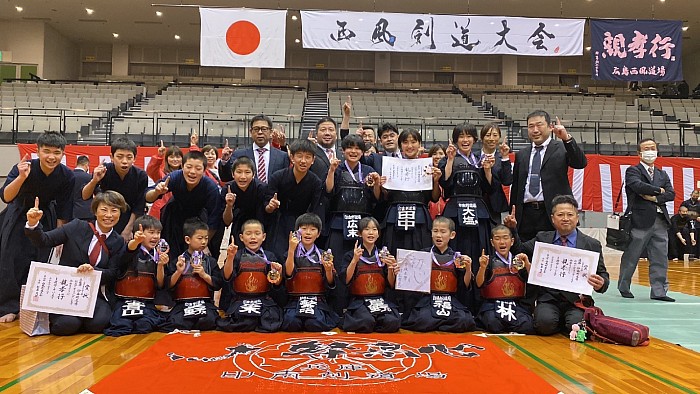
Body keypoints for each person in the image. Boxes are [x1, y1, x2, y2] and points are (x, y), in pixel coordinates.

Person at [24, 191, 128, 335]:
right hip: (66, 290)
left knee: (99, 324)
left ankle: (80, 318)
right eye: (104, 210)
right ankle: (72, 319)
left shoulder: (118, 241)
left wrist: (94, 271)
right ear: (95, 211)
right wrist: (33, 223)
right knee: (67, 325)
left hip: (93, 294)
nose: (109, 215)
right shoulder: (76, 226)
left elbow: (112, 273)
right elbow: (44, 240)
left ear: (120, 213)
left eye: (114, 210)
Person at [507, 195, 609, 336]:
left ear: (577, 218)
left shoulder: (591, 244)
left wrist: (601, 283)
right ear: (553, 219)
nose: (565, 218)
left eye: (570, 214)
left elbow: (603, 275)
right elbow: (519, 250)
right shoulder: (543, 239)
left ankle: (566, 321)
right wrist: (512, 229)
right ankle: (556, 320)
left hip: (577, 301)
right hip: (549, 299)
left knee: (577, 326)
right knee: (544, 325)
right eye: (560, 215)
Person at [0, 131, 75, 323]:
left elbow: (64, 210)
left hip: (46, 217)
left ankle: (34, 304)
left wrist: (59, 238)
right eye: (46, 151)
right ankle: (9, 306)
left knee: (40, 260)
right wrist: (21, 177)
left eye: (56, 152)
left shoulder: (67, 175)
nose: (51, 157)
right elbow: (6, 197)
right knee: (11, 259)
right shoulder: (23, 167)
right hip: (18, 214)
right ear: (38, 151)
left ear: (63, 153)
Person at [510, 111, 587, 242]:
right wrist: (513, 214)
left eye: (539, 125)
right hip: (526, 215)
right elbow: (517, 186)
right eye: (531, 126)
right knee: (525, 255)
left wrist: (566, 138)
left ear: (550, 127)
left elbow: (580, 163)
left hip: (551, 212)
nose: (535, 130)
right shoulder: (522, 154)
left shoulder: (562, 148)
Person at [618, 139, 676, 302]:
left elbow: (671, 194)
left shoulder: (662, 174)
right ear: (639, 153)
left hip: (660, 220)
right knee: (632, 255)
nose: (650, 151)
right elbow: (637, 186)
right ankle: (624, 285)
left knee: (660, 257)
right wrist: (659, 190)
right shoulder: (633, 171)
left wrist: (654, 198)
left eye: (653, 148)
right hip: (639, 219)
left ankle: (659, 291)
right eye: (646, 149)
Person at [401, 217, 476, 332]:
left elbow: (465, 285)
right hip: (429, 299)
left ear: (452, 235)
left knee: (465, 321)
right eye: (435, 231)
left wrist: (468, 268)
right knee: (421, 320)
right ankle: (444, 324)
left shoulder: (457, 258)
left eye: (443, 231)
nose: (438, 235)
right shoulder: (423, 254)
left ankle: (437, 324)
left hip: (449, 299)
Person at [146, 150, 222, 259]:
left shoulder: (211, 187)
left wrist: (203, 243)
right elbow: (148, 197)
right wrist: (157, 192)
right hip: (175, 217)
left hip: (199, 220)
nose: (192, 172)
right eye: (189, 167)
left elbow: (214, 220)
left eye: (198, 168)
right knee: (171, 254)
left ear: (204, 170)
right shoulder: (174, 177)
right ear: (182, 166)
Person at [104, 215, 168, 337]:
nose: (155, 236)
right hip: (123, 301)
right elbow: (128, 252)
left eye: (158, 233)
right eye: (151, 232)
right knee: (121, 326)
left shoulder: (159, 254)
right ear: (139, 233)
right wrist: (136, 241)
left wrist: (160, 266)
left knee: (145, 325)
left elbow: (160, 285)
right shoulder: (130, 248)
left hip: (146, 302)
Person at [216, 219, 285, 333]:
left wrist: (278, 273)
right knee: (241, 321)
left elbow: (276, 284)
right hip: (241, 299)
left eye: (257, 233)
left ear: (263, 237)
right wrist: (230, 257)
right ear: (241, 237)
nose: (253, 237)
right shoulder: (237, 256)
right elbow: (226, 277)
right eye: (248, 234)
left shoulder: (270, 256)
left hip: (263, 299)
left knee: (271, 322)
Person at [382, 129, 441, 255]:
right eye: (405, 142)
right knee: (394, 252)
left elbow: (434, 198)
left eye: (413, 142)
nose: (409, 146)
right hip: (395, 213)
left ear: (419, 144)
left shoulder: (428, 167)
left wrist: (435, 181)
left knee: (420, 253)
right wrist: (381, 185)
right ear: (400, 145)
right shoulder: (391, 166)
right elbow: (386, 197)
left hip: (420, 216)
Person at [160, 218, 225, 332]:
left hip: (204, 302)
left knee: (208, 321)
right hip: (182, 303)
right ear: (187, 239)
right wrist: (178, 272)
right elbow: (168, 285)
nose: (204, 242)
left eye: (206, 238)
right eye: (200, 238)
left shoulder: (211, 261)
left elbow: (218, 284)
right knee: (177, 323)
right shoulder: (178, 260)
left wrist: (204, 275)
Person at [280, 213, 339, 332]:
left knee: (315, 324)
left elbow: (330, 284)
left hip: (317, 300)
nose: (308, 232)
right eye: (304, 229)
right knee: (292, 323)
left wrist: (328, 270)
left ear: (318, 234)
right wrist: (291, 249)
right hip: (295, 301)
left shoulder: (323, 254)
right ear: (297, 232)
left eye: (312, 229)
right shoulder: (291, 253)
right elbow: (288, 274)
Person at [341, 217, 400, 333]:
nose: (371, 232)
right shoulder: (350, 255)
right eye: (367, 229)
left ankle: (376, 321)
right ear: (359, 233)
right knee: (365, 321)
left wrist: (391, 268)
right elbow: (346, 280)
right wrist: (354, 260)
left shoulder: (384, 255)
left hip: (379, 299)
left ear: (378, 234)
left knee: (392, 322)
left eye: (374, 229)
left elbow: (391, 284)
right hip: (360, 300)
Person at [264, 139, 323, 257]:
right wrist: (271, 206)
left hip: (302, 225)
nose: (303, 161)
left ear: (313, 160)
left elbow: (315, 209)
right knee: (277, 256)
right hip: (278, 223)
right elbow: (266, 206)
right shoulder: (278, 177)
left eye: (307, 157)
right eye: (299, 156)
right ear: (292, 157)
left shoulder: (316, 182)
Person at [82, 137, 148, 240]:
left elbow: (139, 206)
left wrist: (128, 229)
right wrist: (94, 180)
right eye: (120, 157)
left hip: (129, 219)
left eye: (129, 157)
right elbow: (85, 196)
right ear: (112, 157)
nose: (124, 161)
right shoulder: (103, 170)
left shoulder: (141, 176)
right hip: (105, 217)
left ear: (134, 158)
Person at [475, 225, 533, 334]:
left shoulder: (519, 261)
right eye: (497, 239)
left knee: (527, 326)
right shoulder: (488, 261)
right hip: (492, 304)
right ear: (492, 242)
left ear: (512, 241)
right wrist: (482, 268)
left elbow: (532, 281)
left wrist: (528, 264)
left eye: (505, 238)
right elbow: (479, 284)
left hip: (515, 304)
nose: (502, 242)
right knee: (493, 324)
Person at [219, 115, 290, 184]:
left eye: (264, 129)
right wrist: (225, 161)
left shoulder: (282, 156)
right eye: (256, 129)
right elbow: (226, 178)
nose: (260, 132)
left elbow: (286, 182)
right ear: (251, 132)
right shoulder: (239, 154)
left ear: (271, 132)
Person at [221, 157, 269, 250]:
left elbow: (266, 216)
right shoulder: (228, 189)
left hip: (259, 225)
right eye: (239, 172)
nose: (243, 176)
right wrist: (229, 206)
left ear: (253, 174)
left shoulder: (261, 188)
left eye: (247, 172)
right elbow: (227, 222)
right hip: (238, 227)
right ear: (233, 174)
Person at [479, 123, 513, 223]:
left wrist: (505, 157)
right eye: (488, 135)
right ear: (482, 137)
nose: (491, 139)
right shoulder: (473, 157)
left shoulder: (502, 158)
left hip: (497, 206)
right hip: (477, 202)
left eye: (495, 135)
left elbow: (507, 181)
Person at [146, 141, 183, 220]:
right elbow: (151, 170)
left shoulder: (186, 175)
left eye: (178, 157)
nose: (175, 159)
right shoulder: (161, 175)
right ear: (167, 159)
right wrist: (159, 156)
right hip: (160, 212)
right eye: (172, 157)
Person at [427, 144, 447, 219]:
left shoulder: (449, 173)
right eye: (434, 154)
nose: (437, 157)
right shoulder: (425, 173)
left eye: (441, 154)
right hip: (430, 211)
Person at [72, 155, 94, 220]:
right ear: (87, 165)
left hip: (71, 212)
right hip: (87, 213)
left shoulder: (68, 176)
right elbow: (98, 193)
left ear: (76, 163)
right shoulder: (90, 177)